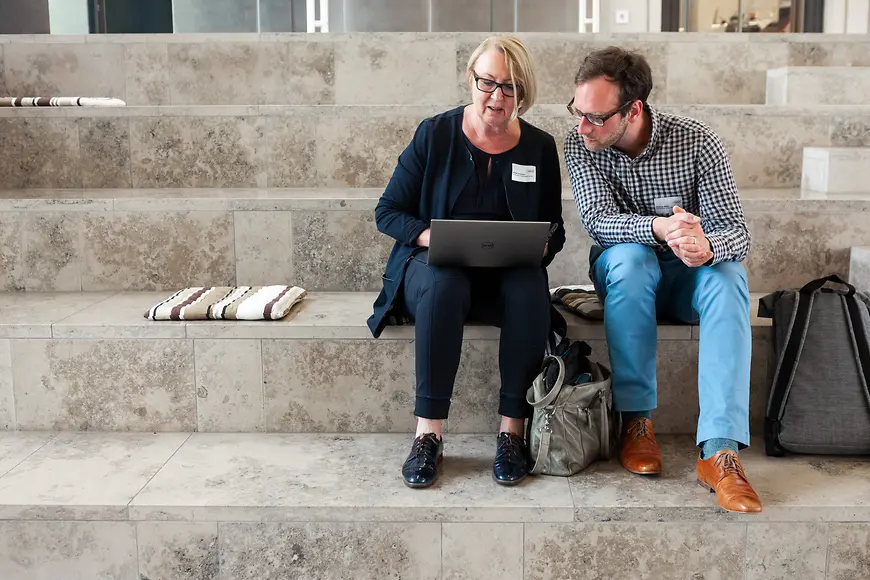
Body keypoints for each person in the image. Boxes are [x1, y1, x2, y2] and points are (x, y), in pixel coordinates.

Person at [564, 46, 762, 513]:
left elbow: (737, 229)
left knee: (729, 276)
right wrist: (659, 228)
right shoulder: (582, 144)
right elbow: (598, 220)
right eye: (577, 111)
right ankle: (636, 422)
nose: (581, 126)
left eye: (594, 116)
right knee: (632, 260)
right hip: (627, 275)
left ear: (633, 110)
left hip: (688, 278)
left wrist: (707, 246)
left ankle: (720, 450)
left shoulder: (697, 142)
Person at [367, 36, 565, 489]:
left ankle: (511, 431)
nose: (496, 97)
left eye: (509, 88)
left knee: (529, 286)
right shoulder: (435, 134)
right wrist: (428, 235)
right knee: (446, 284)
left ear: (524, 92)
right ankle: (428, 433)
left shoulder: (538, 147)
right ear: (471, 78)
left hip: (506, 277)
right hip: (435, 272)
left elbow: (555, 230)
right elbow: (388, 211)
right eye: (487, 83)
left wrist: (540, 246)